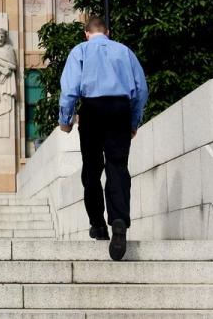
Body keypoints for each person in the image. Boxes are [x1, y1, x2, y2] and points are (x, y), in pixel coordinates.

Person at [58, 16, 147, 261]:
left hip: (92, 110)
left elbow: (70, 89)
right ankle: (119, 221)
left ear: (86, 33)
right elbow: (141, 90)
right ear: (107, 32)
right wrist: (133, 122)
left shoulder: (81, 51)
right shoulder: (125, 51)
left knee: (92, 169)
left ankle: (97, 224)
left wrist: (65, 120)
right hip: (120, 108)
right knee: (117, 166)